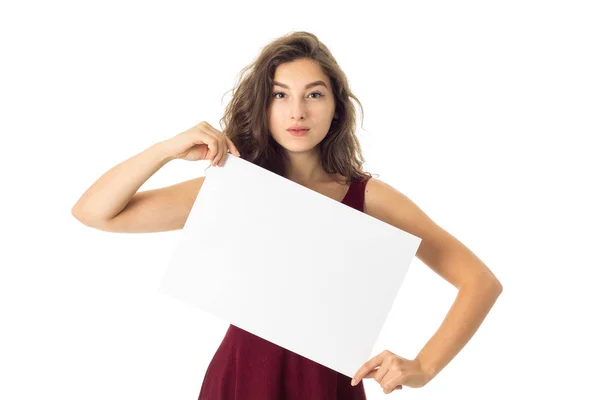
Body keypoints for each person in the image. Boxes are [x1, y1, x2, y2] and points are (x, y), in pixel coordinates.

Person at [72, 31, 503, 399]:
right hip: (241, 381)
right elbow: (94, 213)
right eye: (281, 95)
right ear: (263, 105)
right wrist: (164, 150)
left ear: (336, 107)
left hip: (328, 385)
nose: (297, 111)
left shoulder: (369, 197)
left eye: (314, 94)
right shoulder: (232, 188)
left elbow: (479, 282)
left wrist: (423, 367)